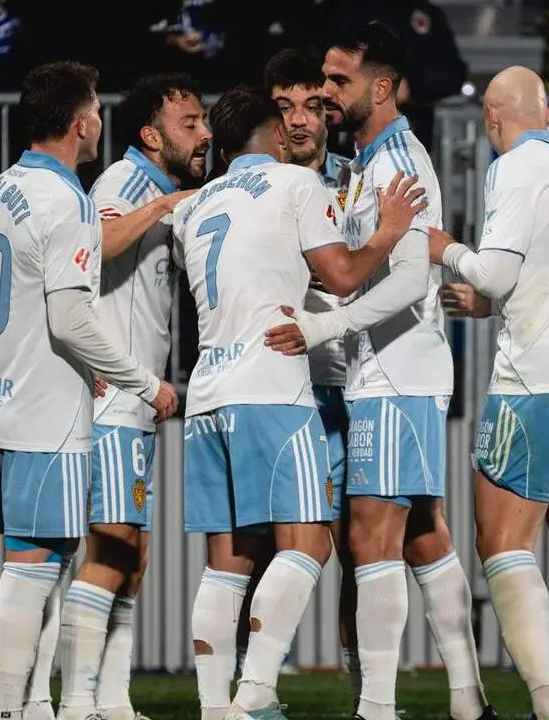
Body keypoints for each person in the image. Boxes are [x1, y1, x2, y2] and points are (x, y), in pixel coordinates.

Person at [263, 23, 495, 720]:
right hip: (393, 371)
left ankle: (376, 707)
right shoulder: (370, 160)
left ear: (382, 87)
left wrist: (326, 325)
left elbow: (406, 278)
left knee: (370, 535)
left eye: (338, 82)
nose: (326, 93)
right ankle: (465, 697)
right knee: (422, 532)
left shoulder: (399, 162)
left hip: (394, 373)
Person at [175, 85, 427, 720]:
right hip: (272, 385)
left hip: (208, 390)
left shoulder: (197, 205)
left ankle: (213, 708)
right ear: (269, 132)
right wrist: (390, 231)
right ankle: (254, 696)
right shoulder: (296, 186)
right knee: (308, 541)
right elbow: (342, 276)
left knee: (228, 559)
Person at [0, 61, 178, 720]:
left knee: (46, 562)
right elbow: (71, 319)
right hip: (46, 411)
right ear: (81, 123)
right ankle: (4, 711)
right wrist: (144, 381)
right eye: (96, 112)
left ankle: (35, 706)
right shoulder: (68, 201)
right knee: (33, 566)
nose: (99, 124)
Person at [429, 65, 549, 720]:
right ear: (548, 113)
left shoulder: (512, 167)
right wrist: (486, 305)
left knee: (503, 542)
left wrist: (444, 247)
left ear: (491, 118)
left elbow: (495, 269)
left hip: (535, 381)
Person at [51, 73, 209, 720]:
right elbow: (96, 244)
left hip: (133, 403)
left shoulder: (154, 187)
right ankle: (77, 703)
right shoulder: (123, 183)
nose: (203, 135)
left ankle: (110, 703)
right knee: (113, 547)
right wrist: (161, 210)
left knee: (131, 555)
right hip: (112, 401)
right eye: (190, 124)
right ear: (151, 134)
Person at [263, 42, 360, 686]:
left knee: (363, 549)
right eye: (284, 107)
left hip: (353, 385)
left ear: (329, 114)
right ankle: (255, 682)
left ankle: (364, 691)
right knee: (268, 550)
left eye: (311, 105)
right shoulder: (252, 184)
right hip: (282, 388)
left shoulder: (360, 179)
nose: (299, 119)